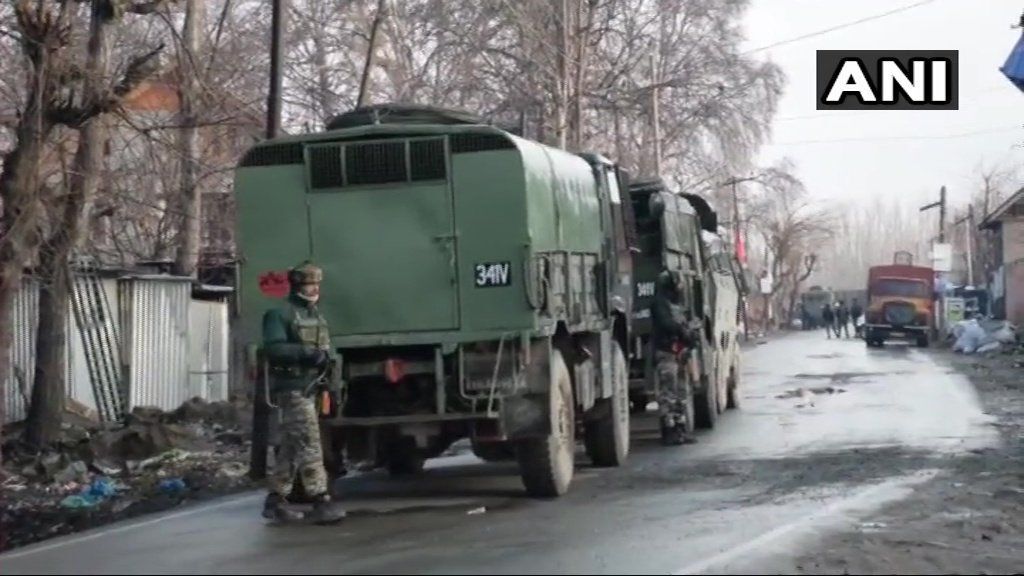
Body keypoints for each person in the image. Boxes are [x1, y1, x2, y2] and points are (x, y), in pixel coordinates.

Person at [260, 261, 345, 524]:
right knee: (309, 443)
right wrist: (307, 354)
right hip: (293, 387)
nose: (314, 289)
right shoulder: (280, 315)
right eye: (310, 284)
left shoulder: (314, 315)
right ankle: (321, 499)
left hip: (313, 388)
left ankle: (276, 501)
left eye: (317, 284)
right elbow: (273, 349)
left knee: (290, 447)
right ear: (298, 285)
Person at [651, 269, 700, 446]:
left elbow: (686, 322)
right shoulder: (659, 303)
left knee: (681, 393)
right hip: (667, 353)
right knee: (668, 394)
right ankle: (669, 430)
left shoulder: (677, 304)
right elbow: (667, 324)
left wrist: (691, 334)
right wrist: (682, 331)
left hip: (680, 354)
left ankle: (681, 429)